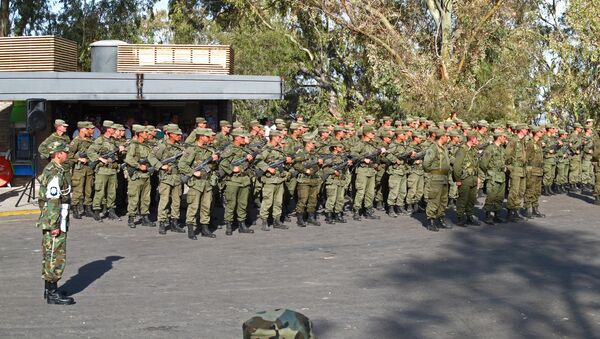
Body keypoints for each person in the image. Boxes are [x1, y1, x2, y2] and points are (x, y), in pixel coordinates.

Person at [37, 141, 75, 305]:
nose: (67, 154)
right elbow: (53, 200)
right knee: (55, 255)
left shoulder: (56, 169)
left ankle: (50, 288)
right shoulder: (54, 172)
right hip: (55, 218)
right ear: (58, 154)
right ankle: (52, 293)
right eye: (65, 152)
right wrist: (54, 225)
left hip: (58, 217)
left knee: (50, 253)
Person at [179, 128, 219, 240]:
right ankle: (191, 229)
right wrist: (192, 172)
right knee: (193, 206)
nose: (209, 138)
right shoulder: (192, 150)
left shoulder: (209, 150)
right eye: (207, 136)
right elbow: (182, 164)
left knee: (206, 207)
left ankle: (205, 229)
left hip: (207, 182)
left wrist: (215, 161)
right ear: (201, 137)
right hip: (196, 183)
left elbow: (214, 167)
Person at [218, 129, 256, 235]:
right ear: (237, 138)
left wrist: (250, 159)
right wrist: (232, 169)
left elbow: (250, 165)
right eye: (243, 137)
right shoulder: (230, 149)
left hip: (244, 180)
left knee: (243, 204)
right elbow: (222, 162)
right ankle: (229, 224)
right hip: (233, 181)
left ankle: (241, 224)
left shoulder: (246, 149)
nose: (245, 139)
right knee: (231, 204)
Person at [255, 130, 292, 231]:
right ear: (274, 137)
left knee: (278, 202)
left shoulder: (280, 149)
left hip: (279, 179)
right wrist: (267, 168)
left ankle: (277, 221)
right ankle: (264, 221)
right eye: (279, 137)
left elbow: (285, 163)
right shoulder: (267, 149)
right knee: (267, 201)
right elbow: (257, 160)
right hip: (269, 180)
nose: (281, 139)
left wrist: (288, 161)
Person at [124, 125, 161, 228]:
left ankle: (145, 217)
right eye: (145, 132)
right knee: (133, 198)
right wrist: (139, 166)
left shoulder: (147, 146)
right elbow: (128, 159)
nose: (147, 134)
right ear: (139, 133)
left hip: (146, 176)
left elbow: (152, 158)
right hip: (136, 176)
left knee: (146, 198)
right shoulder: (133, 145)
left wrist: (160, 166)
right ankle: (131, 217)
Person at [87, 120, 121, 222]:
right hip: (102, 170)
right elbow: (90, 151)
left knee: (112, 192)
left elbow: (116, 155)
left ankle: (111, 211)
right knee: (100, 191)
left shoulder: (113, 141)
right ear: (108, 129)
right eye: (113, 129)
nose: (114, 130)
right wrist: (100, 158)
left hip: (112, 170)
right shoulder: (100, 140)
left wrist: (120, 150)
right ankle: (97, 211)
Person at [155, 124, 187, 234]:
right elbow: (151, 157)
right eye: (177, 134)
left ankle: (174, 222)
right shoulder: (162, 146)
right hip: (166, 177)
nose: (179, 136)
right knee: (164, 200)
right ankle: (162, 223)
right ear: (169, 134)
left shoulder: (181, 147)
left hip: (177, 177)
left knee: (177, 201)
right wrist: (160, 166)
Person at [423, 129, 451, 231]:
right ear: (441, 136)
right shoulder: (433, 148)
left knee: (443, 200)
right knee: (434, 200)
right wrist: (433, 171)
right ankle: (431, 221)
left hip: (444, 178)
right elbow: (426, 163)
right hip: (436, 178)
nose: (447, 138)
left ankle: (441, 219)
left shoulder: (444, 148)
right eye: (446, 136)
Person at [293, 134, 323, 227]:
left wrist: (319, 165)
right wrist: (305, 170)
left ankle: (311, 217)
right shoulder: (300, 153)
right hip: (304, 180)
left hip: (314, 180)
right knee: (303, 199)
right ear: (308, 143)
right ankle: (300, 219)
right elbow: (295, 164)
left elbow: (318, 166)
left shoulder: (315, 153)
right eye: (312, 143)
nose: (314, 145)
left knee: (313, 200)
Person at [68, 121, 95, 219]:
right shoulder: (76, 141)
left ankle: (88, 209)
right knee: (78, 190)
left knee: (89, 189)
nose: (91, 131)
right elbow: (69, 156)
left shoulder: (91, 140)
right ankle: (74, 208)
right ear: (83, 129)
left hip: (89, 168)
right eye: (89, 129)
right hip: (79, 169)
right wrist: (79, 158)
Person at [453, 131, 481, 226]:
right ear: (472, 139)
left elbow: (476, 165)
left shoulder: (473, 150)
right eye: (476, 139)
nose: (477, 141)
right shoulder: (462, 150)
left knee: (471, 199)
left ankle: (469, 216)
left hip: (473, 178)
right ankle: (460, 217)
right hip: (465, 179)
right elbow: (457, 166)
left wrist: (478, 177)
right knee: (463, 199)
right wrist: (458, 180)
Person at [479, 131, 508, 224]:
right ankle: (487, 216)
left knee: (500, 197)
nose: (505, 138)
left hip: (501, 176)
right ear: (499, 137)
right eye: (503, 137)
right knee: (491, 196)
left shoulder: (501, 148)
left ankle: (497, 215)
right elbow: (483, 163)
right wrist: (489, 172)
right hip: (493, 176)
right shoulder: (490, 148)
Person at [505, 124, 529, 222]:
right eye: (525, 129)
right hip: (515, 169)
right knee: (514, 191)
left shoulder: (524, 141)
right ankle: (510, 212)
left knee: (521, 191)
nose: (527, 130)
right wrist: (510, 168)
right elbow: (507, 155)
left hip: (523, 169)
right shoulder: (513, 141)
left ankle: (517, 210)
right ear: (521, 130)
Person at [523, 126, 546, 218]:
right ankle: (527, 208)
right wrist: (528, 169)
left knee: (537, 191)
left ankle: (535, 208)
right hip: (532, 170)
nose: (542, 133)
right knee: (530, 190)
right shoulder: (530, 144)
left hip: (539, 170)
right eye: (540, 132)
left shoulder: (539, 143)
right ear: (536, 132)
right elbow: (526, 158)